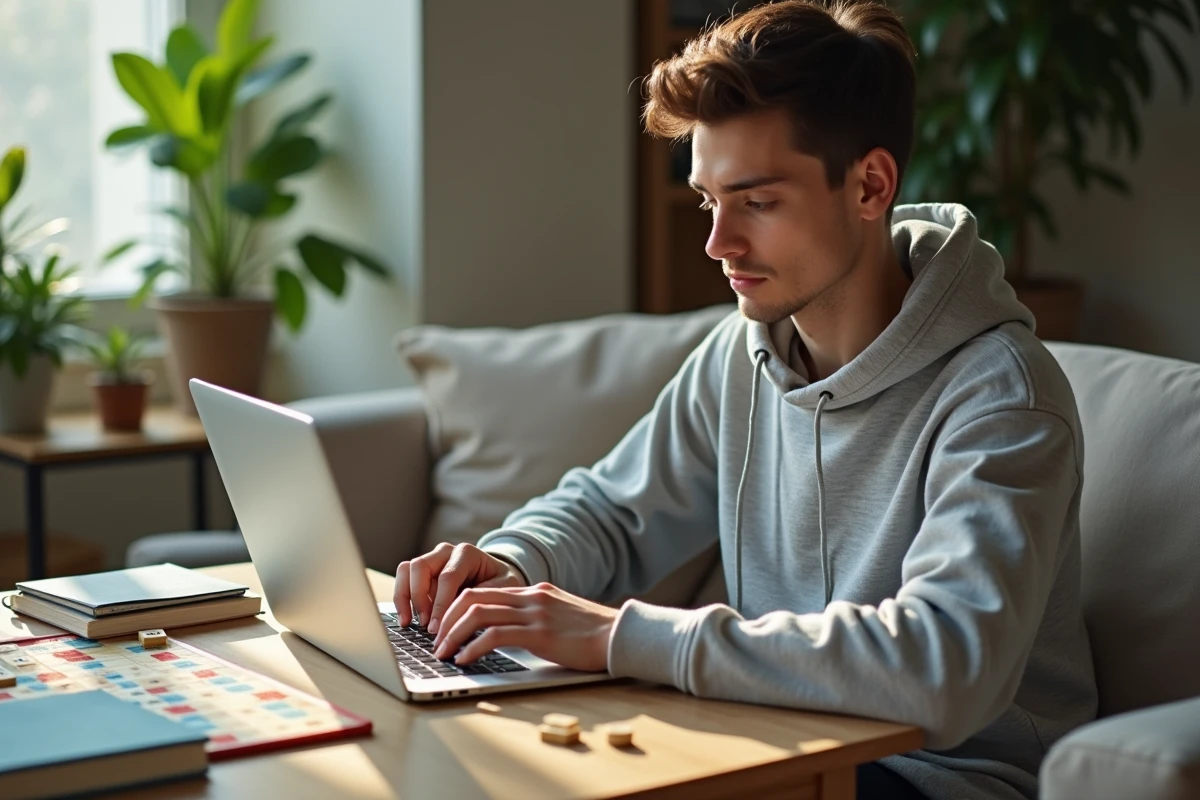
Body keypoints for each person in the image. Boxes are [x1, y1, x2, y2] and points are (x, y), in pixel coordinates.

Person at [393, 2, 1097, 797]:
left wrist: (620, 637)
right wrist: (513, 562)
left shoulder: (1002, 397)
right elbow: (615, 510)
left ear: (870, 185)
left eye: (756, 202)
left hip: (942, 779)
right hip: (774, 742)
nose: (717, 243)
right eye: (707, 200)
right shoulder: (744, 351)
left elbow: (942, 668)